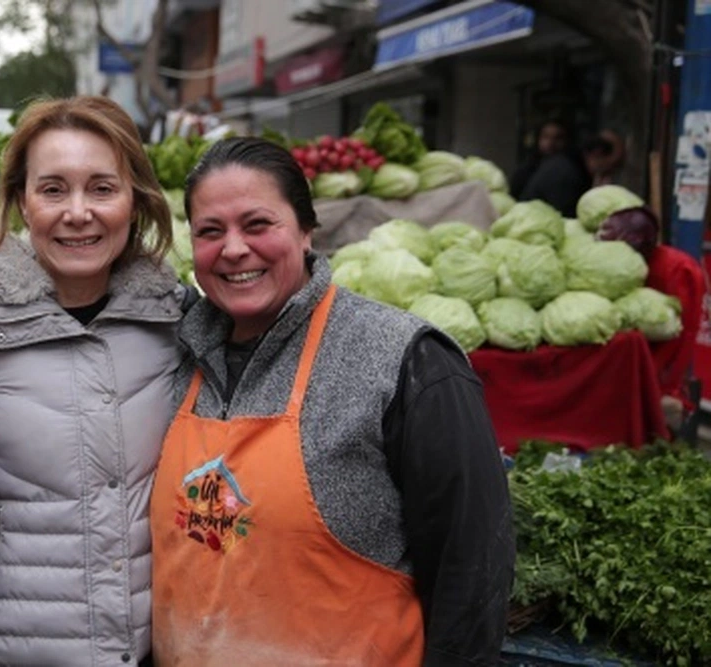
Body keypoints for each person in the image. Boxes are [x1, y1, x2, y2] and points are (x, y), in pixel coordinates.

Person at [150, 137, 515, 665]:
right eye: (210, 232)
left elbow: (472, 568)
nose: (233, 249)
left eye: (257, 225)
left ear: (305, 231)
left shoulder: (405, 360)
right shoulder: (179, 358)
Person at [0, 96, 185, 666]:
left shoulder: (181, 321)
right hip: (1, 647)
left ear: (136, 200)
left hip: (153, 646)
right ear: (21, 203)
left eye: (102, 188)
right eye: (53, 189)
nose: (78, 212)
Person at [598, 206, 708, 424]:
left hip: (656, 365)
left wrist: (658, 386)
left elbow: (680, 336)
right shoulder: (610, 269)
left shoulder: (677, 269)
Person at [513, 119, 591, 217]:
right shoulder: (525, 172)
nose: (551, 143)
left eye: (558, 138)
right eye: (546, 137)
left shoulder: (570, 170)